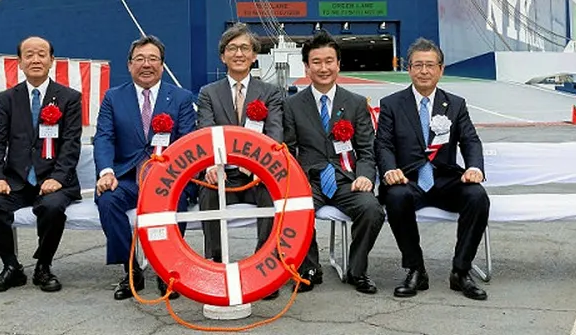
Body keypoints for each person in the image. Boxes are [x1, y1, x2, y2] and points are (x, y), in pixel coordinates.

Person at [375, 37, 489, 301]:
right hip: (409, 180)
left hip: (445, 179)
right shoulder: (392, 104)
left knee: (477, 196)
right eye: (418, 65)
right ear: (409, 69)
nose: (424, 71)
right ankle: (416, 269)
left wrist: (474, 167)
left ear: (441, 69)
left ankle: (461, 271)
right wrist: (389, 170)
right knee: (396, 196)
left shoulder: (455, 104)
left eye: (430, 65)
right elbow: (383, 144)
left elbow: (470, 140)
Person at [94, 35, 197, 300]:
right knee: (107, 200)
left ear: (162, 64)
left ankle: (166, 269)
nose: (146, 64)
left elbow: (187, 141)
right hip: (127, 178)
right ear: (129, 65)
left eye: (153, 59)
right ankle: (130, 270)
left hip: (168, 178)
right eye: (139, 59)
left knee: (174, 203)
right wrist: (106, 172)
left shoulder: (181, 98)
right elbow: (104, 137)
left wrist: (173, 178)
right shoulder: (113, 97)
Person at [0, 36, 83, 294]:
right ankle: (11, 266)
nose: (35, 60)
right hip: (16, 180)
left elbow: (71, 143)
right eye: (29, 55)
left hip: (54, 180)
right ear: (20, 62)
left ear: (51, 60)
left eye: (41, 54)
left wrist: (58, 178)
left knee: (53, 207)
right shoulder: (6, 98)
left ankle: (43, 266)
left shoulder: (69, 98)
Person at [283, 31, 384, 295]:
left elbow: (366, 149)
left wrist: (365, 176)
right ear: (306, 67)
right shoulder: (292, 105)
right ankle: (308, 269)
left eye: (329, 61)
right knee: (294, 209)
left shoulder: (356, 103)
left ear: (338, 64)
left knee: (372, 209)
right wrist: (295, 180)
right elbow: (288, 149)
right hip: (309, 180)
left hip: (346, 180)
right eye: (316, 62)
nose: (323, 68)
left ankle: (357, 270)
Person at [196, 23, 285, 300]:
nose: (239, 54)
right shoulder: (208, 93)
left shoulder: (270, 92)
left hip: (258, 174)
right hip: (224, 173)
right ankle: (217, 263)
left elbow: (275, 134)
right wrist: (212, 165)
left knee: (273, 195)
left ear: (254, 55)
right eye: (232, 48)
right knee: (208, 192)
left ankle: (263, 266)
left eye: (245, 48)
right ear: (222, 56)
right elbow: (205, 133)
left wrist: (263, 168)